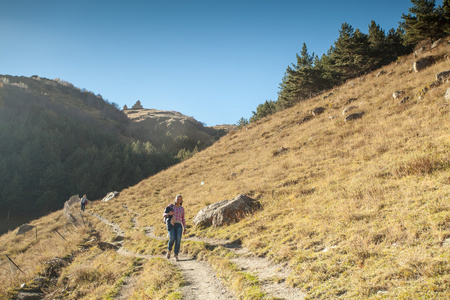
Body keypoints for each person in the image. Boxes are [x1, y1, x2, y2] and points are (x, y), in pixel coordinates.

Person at [163, 194, 186, 261]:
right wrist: (168, 214)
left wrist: (184, 228)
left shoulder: (182, 209)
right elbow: (164, 214)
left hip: (179, 225)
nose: (178, 200)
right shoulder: (171, 206)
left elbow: (183, 219)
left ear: (181, 201)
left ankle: (176, 255)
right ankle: (169, 250)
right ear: (175, 199)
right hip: (171, 224)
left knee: (178, 240)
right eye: (177, 199)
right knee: (172, 238)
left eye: (180, 199)